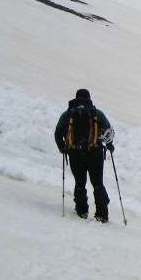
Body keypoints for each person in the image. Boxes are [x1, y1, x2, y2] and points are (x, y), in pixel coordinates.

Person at [54, 88, 115, 222]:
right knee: (97, 183)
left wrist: (62, 147)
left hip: (75, 153)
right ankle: (102, 214)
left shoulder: (68, 114)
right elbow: (108, 132)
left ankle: (82, 211)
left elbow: (58, 132)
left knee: (80, 182)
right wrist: (110, 146)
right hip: (95, 153)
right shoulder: (96, 113)